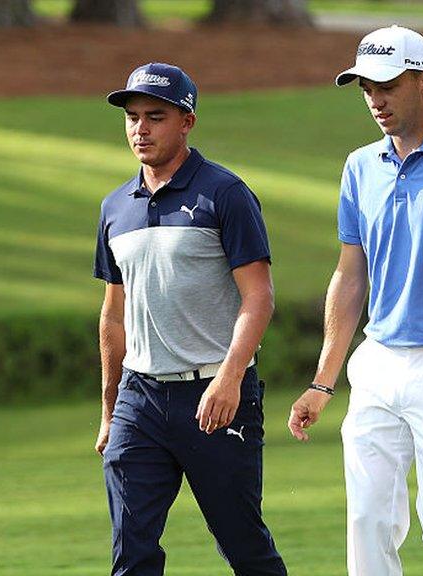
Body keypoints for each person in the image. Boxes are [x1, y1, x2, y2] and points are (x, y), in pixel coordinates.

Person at [287, 25, 423, 576]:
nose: (375, 100)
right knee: (366, 526)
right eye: (365, 87)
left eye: (387, 85)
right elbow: (349, 276)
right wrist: (323, 380)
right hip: (378, 362)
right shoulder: (360, 166)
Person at [94, 62, 287, 576]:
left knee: (243, 545)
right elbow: (113, 316)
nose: (141, 129)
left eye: (155, 116)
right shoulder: (116, 207)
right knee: (131, 552)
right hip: (140, 399)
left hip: (216, 396)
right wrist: (111, 410)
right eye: (133, 117)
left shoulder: (224, 193)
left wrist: (228, 379)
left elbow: (259, 297)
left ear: (187, 121)